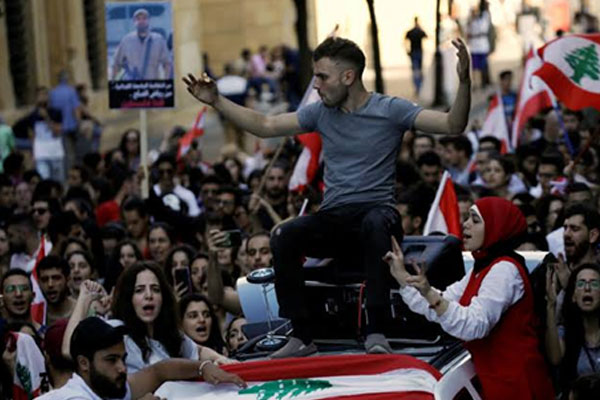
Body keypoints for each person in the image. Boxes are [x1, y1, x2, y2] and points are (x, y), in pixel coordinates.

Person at [184, 35, 471, 358]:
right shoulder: (320, 113)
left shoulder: (390, 109)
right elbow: (265, 124)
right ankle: (302, 335)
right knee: (284, 234)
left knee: (375, 222)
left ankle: (376, 329)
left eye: (322, 76)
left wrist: (464, 82)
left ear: (348, 77)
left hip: (379, 217)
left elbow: (452, 124)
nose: (316, 85)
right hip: (335, 220)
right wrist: (217, 101)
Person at [385, 197, 554, 399]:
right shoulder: (482, 268)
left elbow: (474, 326)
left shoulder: (504, 269)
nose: (465, 224)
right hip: (498, 381)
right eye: (467, 218)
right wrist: (402, 276)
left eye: (475, 220)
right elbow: (442, 302)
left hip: (518, 385)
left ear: (496, 227)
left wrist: (429, 293)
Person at [38, 315, 244, 399]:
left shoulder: (106, 386)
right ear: (84, 363)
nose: (122, 367)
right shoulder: (74, 397)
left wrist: (203, 367)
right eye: (111, 360)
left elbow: (159, 371)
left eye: (123, 358)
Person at [111, 262, 200, 373]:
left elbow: (198, 351)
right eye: (139, 290)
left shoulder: (171, 336)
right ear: (128, 297)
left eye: (155, 289)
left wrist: (217, 359)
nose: (149, 295)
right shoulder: (118, 331)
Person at [546, 263, 600, 395]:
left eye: (594, 284)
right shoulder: (566, 333)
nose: (587, 288)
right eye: (581, 284)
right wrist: (551, 305)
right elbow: (555, 358)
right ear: (574, 296)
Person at [111, 8, 172, 81]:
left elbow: (167, 63)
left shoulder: (158, 40)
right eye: (138, 19)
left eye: (144, 18)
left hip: (152, 84)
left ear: (149, 20)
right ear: (134, 21)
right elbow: (116, 63)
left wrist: (166, 81)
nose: (141, 21)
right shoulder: (126, 40)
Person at [405, 17, 428, 96]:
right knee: (419, 71)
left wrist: (407, 50)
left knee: (416, 71)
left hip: (414, 52)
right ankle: (419, 87)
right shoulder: (419, 31)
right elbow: (427, 36)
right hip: (418, 52)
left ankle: (418, 88)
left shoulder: (411, 32)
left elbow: (405, 41)